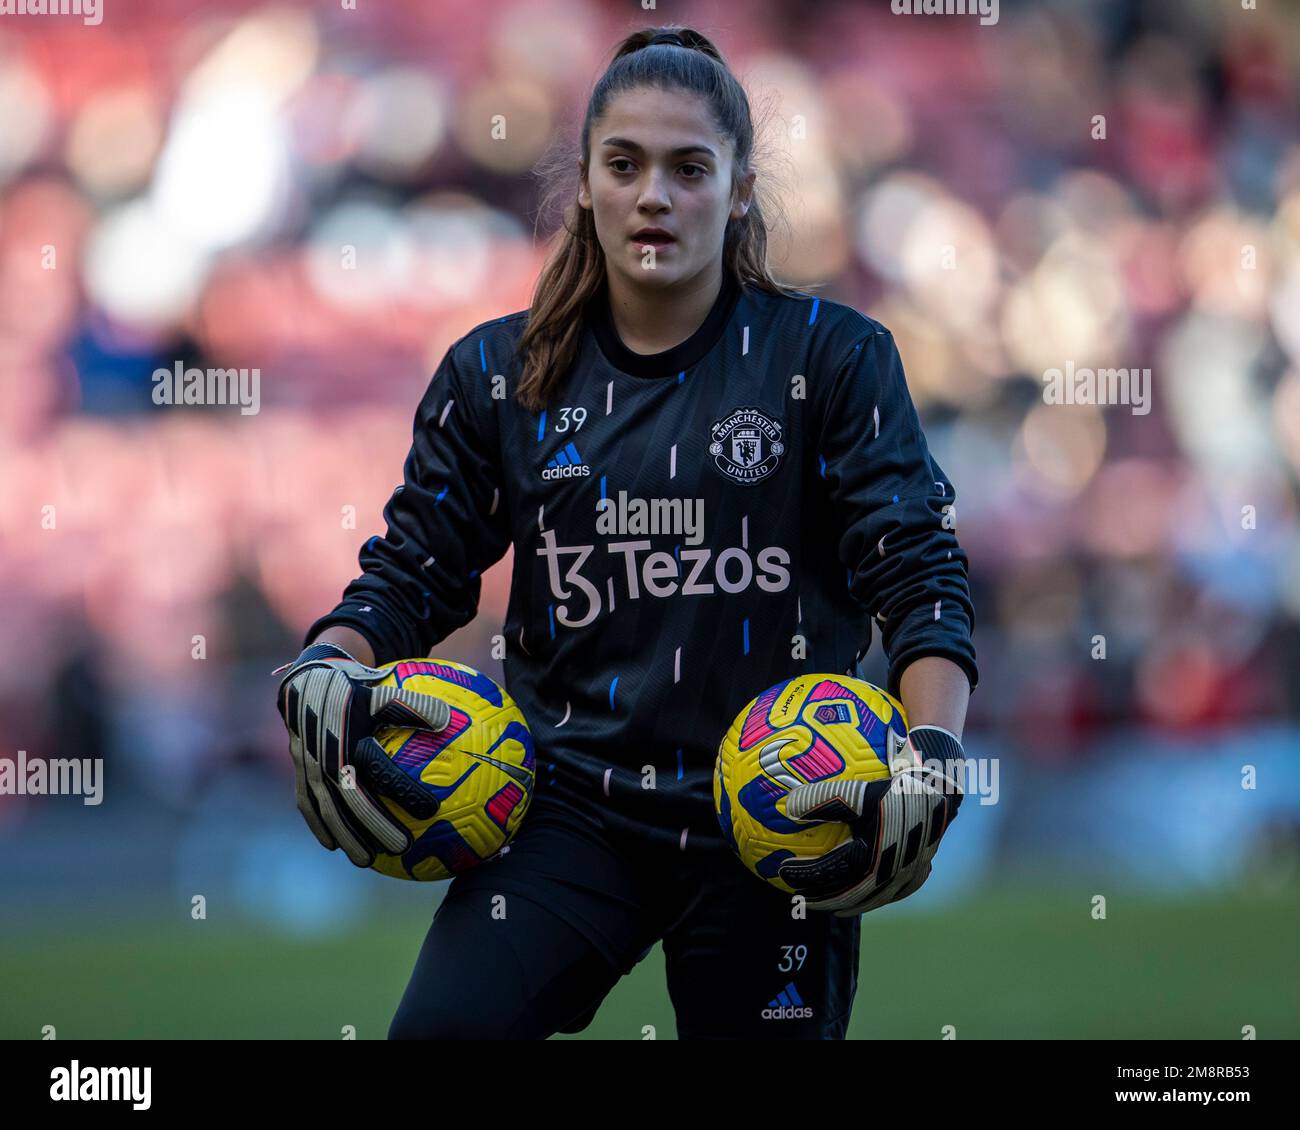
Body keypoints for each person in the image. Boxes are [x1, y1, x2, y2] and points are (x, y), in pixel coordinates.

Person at [275, 25, 978, 1040]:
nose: (655, 194)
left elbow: (920, 577)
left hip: (782, 806)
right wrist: (327, 665)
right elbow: (411, 571)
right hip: (569, 809)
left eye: (690, 167)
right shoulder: (494, 374)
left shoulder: (834, 358)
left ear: (740, 188)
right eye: (626, 164)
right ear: (586, 186)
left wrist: (932, 747)